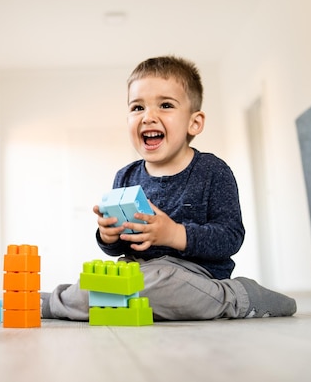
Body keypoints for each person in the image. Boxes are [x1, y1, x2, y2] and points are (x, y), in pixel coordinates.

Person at [41, 56, 297, 321]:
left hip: (192, 277)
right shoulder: (125, 176)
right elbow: (118, 248)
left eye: (165, 105)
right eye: (137, 107)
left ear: (194, 123)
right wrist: (108, 236)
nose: (148, 117)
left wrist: (174, 234)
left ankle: (239, 297)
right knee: (100, 283)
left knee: (165, 285)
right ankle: (57, 301)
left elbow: (231, 237)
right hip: (136, 273)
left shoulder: (212, 171)